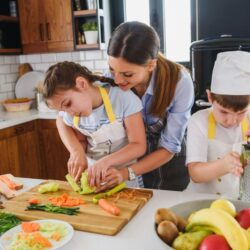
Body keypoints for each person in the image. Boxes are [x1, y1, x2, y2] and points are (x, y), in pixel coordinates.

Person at [99, 21, 194, 191]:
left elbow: (169, 148)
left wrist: (125, 173)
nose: (117, 80)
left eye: (127, 74)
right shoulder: (110, 80)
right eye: (112, 69)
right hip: (132, 158)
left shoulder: (180, 82)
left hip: (170, 163)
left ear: (151, 65)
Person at [42, 61, 146, 189]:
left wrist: (106, 162)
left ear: (81, 84)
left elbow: (138, 146)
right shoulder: (74, 114)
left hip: (125, 179)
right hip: (95, 180)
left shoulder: (123, 99)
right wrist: (77, 152)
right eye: (63, 110)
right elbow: (64, 124)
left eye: (68, 104)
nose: (69, 114)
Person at [185, 50, 250, 199]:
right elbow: (195, 173)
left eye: (241, 113)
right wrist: (223, 165)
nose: (232, 121)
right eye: (224, 112)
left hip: (237, 201)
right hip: (200, 200)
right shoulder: (198, 122)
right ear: (209, 97)